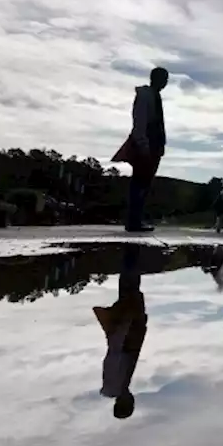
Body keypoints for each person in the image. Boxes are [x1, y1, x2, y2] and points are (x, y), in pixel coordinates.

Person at [93, 244, 150, 419]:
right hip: (128, 328)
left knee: (130, 287)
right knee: (130, 287)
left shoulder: (117, 383)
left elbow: (117, 354)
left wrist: (126, 324)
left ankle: (132, 251)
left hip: (127, 327)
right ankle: (131, 252)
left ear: (125, 403)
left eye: (130, 403)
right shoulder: (117, 384)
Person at [111, 67, 169, 233]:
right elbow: (140, 121)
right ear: (155, 78)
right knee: (139, 184)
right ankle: (133, 221)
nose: (165, 83)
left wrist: (161, 145)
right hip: (146, 145)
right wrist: (143, 144)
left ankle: (136, 219)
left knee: (144, 184)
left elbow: (159, 123)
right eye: (163, 79)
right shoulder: (145, 96)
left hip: (154, 145)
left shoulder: (156, 96)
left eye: (166, 79)